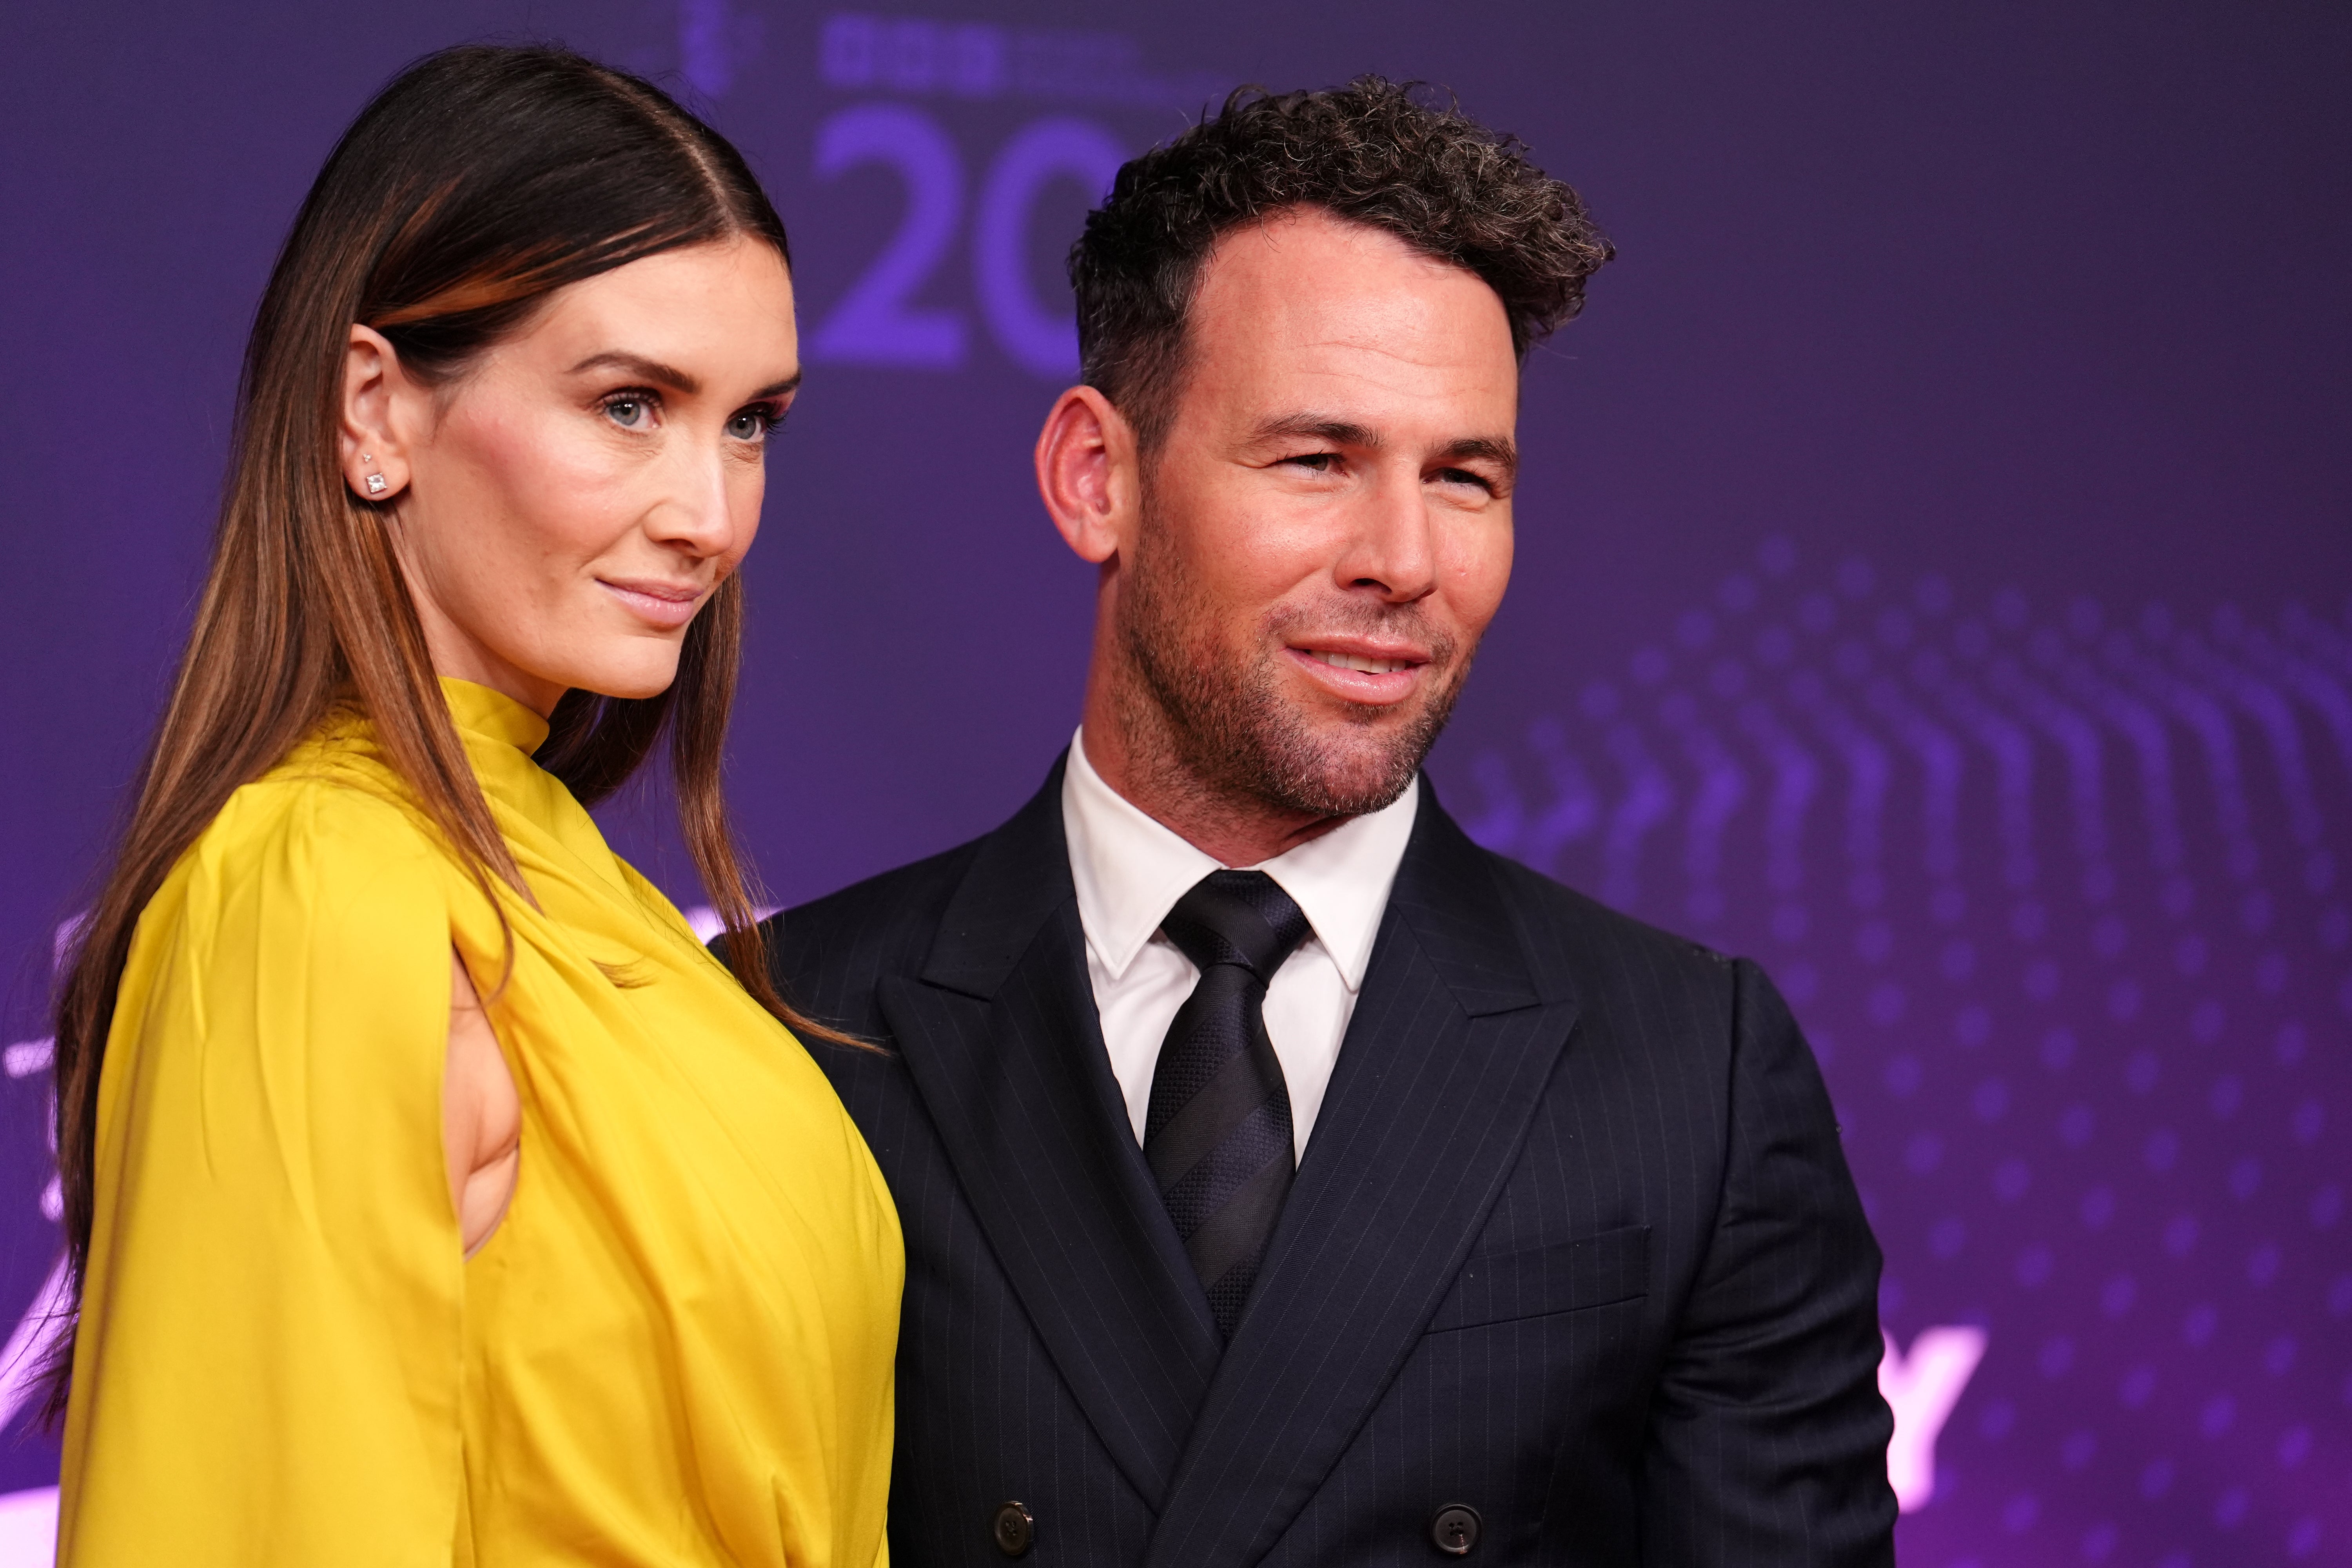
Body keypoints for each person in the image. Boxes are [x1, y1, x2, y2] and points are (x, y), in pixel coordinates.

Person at [766, 79, 1895, 1566]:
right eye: (1318, 461)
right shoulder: (797, 1031)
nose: (1405, 561)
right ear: (1096, 477)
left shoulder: (1695, 1071)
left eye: (1465, 478)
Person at [48, 47, 899, 1566]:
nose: (709, 516)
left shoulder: (570, 888)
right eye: (630, 404)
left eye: (750, 421)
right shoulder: (318, 896)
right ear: (375, 410)